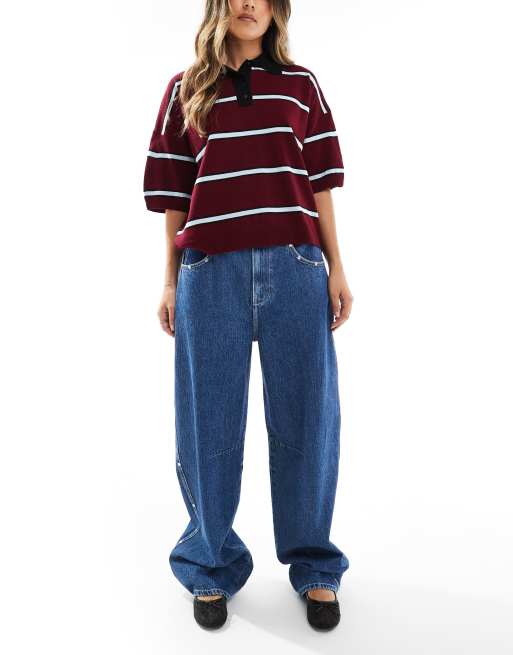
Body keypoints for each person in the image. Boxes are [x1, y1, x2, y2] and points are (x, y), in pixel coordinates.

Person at [143, 0, 353, 631]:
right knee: (208, 425)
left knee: (308, 419)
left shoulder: (301, 85)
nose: (248, 4)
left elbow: (321, 183)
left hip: (296, 266)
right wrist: (170, 282)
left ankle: (315, 565)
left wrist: (337, 267)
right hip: (209, 273)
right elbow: (174, 195)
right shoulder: (185, 90)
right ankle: (209, 563)